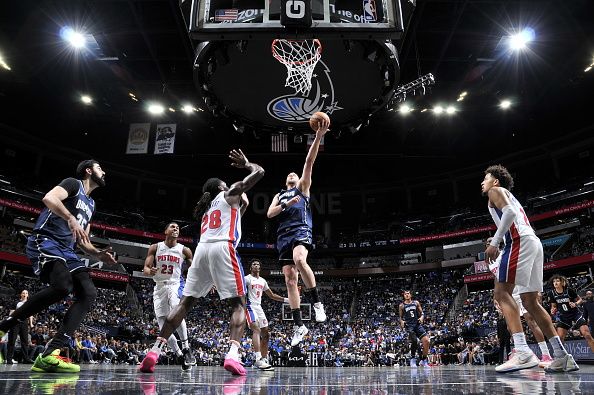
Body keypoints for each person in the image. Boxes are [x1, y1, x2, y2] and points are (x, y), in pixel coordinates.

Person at [139, 149, 264, 376]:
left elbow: (235, 215)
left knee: (185, 303)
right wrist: (247, 164)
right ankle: (233, 355)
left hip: (202, 251)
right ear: (220, 187)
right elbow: (260, 171)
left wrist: (243, 204)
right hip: (223, 248)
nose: (229, 186)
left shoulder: (208, 210)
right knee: (238, 305)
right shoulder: (229, 193)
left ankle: (155, 350)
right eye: (226, 184)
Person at [0, 159, 116, 373]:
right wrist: (70, 217)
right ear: (89, 171)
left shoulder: (91, 205)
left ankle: (50, 353)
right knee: (63, 286)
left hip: (68, 250)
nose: (105, 171)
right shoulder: (73, 183)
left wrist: (98, 253)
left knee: (89, 293)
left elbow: (82, 241)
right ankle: (6, 326)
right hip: (46, 239)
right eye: (100, 168)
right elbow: (49, 198)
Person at [482, 164, 577, 373]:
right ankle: (562, 356)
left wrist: (495, 242)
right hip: (534, 242)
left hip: (518, 241)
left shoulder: (494, 191)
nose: (483, 182)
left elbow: (507, 214)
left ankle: (523, 351)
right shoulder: (510, 195)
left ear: (495, 181)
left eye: (486, 178)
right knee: (530, 302)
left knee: (501, 293)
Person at [266, 120, 330, 346]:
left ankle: (317, 303)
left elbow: (309, 160)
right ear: (286, 181)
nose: (292, 174)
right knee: (290, 280)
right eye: (289, 175)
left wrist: (319, 136)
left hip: (301, 230)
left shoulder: (303, 188)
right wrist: (286, 203)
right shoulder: (280, 195)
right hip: (283, 236)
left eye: (295, 174)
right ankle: (298, 325)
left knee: (300, 260)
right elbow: (270, 214)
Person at [486, 237, 553, 368]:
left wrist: (534, 290)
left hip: (521, 289)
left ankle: (546, 355)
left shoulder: (507, 253)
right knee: (510, 327)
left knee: (531, 322)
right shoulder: (489, 261)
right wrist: (496, 297)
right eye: (488, 242)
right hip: (508, 295)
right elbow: (496, 278)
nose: (490, 243)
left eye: (492, 241)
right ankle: (525, 353)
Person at [143, 222, 195, 371]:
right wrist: (149, 271)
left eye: (178, 228)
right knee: (163, 325)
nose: (176, 229)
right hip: (159, 287)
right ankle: (179, 355)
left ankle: (186, 347)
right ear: (165, 230)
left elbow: (194, 269)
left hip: (175, 284)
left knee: (176, 312)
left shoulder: (184, 250)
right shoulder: (155, 247)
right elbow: (145, 268)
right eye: (172, 227)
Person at [244, 259, 289, 370]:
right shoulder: (247, 279)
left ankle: (264, 359)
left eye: (258, 264)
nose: (256, 265)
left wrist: (288, 300)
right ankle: (258, 359)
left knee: (266, 334)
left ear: (260, 268)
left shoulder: (263, 281)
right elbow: (240, 292)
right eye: (254, 264)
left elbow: (272, 295)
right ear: (250, 268)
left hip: (259, 307)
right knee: (256, 329)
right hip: (250, 306)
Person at [547, 275, 594, 353]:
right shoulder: (551, 293)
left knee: (587, 335)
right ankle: (563, 359)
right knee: (560, 339)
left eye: (557, 281)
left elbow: (580, 300)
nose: (555, 283)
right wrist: (553, 310)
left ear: (562, 282)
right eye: (554, 281)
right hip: (564, 317)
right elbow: (554, 306)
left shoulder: (569, 290)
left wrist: (575, 304)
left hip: (575, 314)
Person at [399, 290, 430, 367]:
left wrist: (422, 317)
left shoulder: (416, 303)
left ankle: (424, 360)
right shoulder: (401, 306)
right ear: (404, 296)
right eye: (405, 294)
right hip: (409, 326)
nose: (406, 295)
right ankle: (412, 359)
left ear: (410, 295)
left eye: (408, 293)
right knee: (414, 341)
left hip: (417, 324)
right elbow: (400, 317)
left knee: (427, 341)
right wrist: (402, 321)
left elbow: (422, 313)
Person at [5, 290, 34, 364]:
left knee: (25, 341)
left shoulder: (29, 303)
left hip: (24, 323)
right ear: (21, 294)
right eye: (23, 293)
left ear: (28, 295)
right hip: (15, 322)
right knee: (12, 340)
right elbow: (11, 313)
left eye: (26, 293)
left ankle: (26, 359)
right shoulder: (16, 303)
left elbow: (30, 314)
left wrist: (31, 323)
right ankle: (9, 359)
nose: (25, 294)